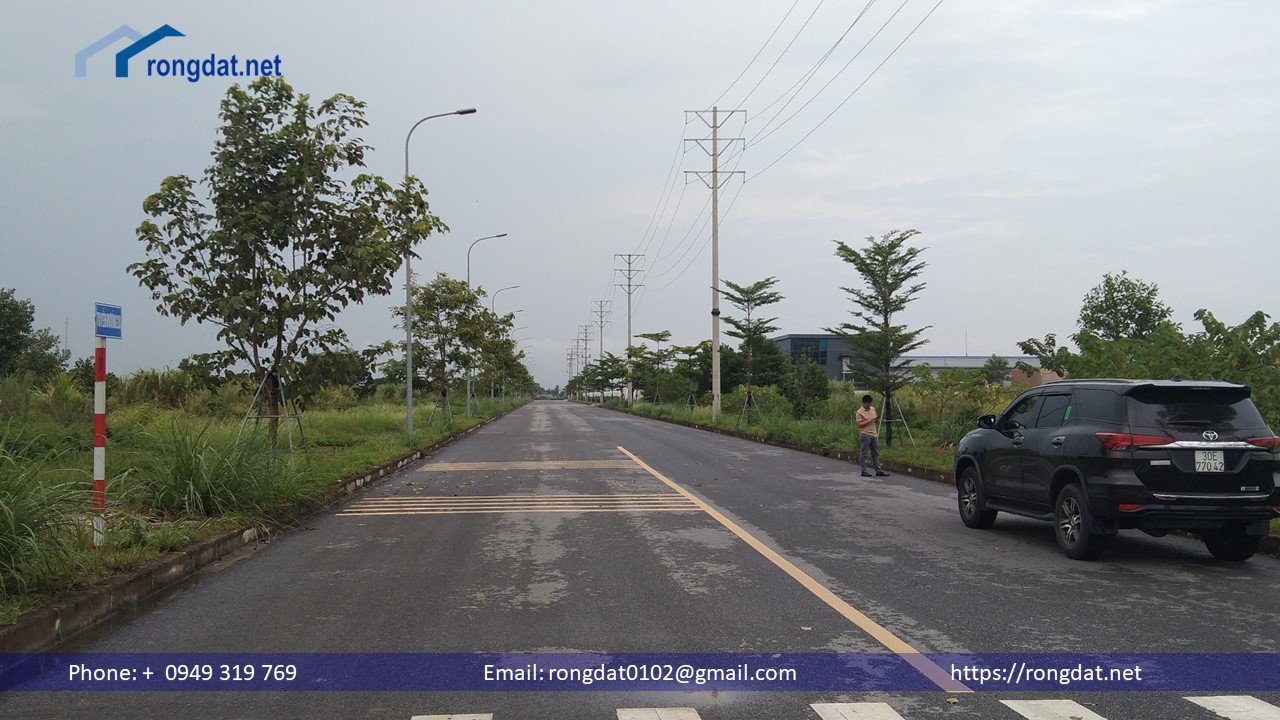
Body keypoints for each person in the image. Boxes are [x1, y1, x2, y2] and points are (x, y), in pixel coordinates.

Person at [855, 394, 890, 477]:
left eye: (870, 404)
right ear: (864, 403)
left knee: (875, 453)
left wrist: (876, 420)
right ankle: (863, 470)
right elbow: (859, 425)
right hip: (865, 434)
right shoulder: (859, 412)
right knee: (863, 453)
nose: (869, 406)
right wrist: (869, 421)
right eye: (868, 404)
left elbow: (874, 419)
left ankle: (878, 470)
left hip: (874, 434)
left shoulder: (873, 409)